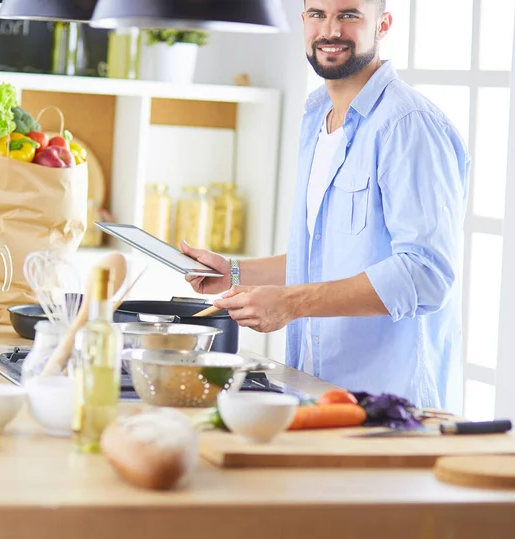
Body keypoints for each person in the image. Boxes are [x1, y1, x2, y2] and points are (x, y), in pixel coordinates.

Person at [181, 0, 470, 411]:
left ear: (382, 25)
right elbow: (324, 257)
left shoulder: (407, 125)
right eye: (317, 14)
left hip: (391, 408)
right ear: (304, 22)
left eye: (349, 15)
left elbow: (425, 274)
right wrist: (236, 272)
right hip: (319, 395)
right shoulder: (318, 117)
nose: (330, 30)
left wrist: (292, 303)